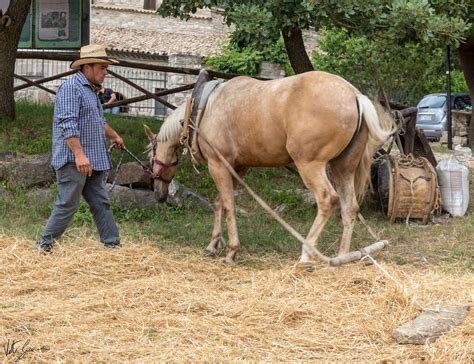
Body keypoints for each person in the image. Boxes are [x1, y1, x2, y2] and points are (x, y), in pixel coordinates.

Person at [36, 44, 124, 253]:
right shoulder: (71, 88)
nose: (106, 72)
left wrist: (114, 136)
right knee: (67, 203)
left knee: (101, 203)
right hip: (74, 160)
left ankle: (113, 246)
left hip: (92, 160)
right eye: (102, 67)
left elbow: (99, 120)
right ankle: (43, 247)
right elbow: (67, 123)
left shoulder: (92, 91)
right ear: (87, 68)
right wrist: (79, 154)